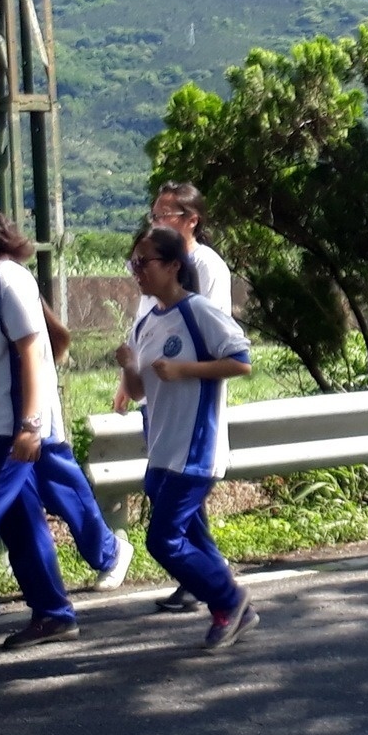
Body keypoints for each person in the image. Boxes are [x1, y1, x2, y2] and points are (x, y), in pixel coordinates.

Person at [115, 226, 257, 650]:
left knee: (163, 541)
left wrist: (184, 371)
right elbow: (140, 391)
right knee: (193, 538)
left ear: (174, 265)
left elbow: (241, 362)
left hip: (195, 449)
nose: (137, 271)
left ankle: (228, 599)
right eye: (133, 264)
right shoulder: (146, 323)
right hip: (162, 449)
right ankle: (235, 608)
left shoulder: (198, 312)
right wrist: (128, 366)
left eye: (145, 262)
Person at [115, 181, 232, 613]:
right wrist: (129, 377)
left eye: (166, 214)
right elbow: (146, 328)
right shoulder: (153, 268)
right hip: (156, 396)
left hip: (186, 399)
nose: (158, 221)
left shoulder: (204, 266)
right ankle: (205, 574)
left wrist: (179, 368)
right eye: (155, 214)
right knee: (163, 490)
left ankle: (208, 577)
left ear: (191, 219)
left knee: (176, 496)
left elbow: (215, 337)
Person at [0, 209, 79, 648]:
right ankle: (54, 613)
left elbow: (33, 352)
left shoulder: (7, 279)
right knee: (21, 523)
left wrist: (31, 426)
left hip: (9, 428)